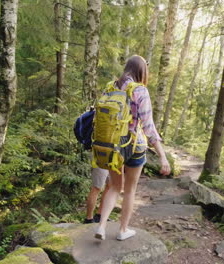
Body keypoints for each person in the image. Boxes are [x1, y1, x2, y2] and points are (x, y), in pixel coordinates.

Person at [94, 55, 171, 241]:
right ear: (141, 71)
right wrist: (162, 156)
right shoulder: (140, 91)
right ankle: (122, 230)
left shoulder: (111, 87)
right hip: (134, 146)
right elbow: (148, 127)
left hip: (112, 145)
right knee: (130, 190)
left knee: (113, 187)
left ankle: (102, 226)